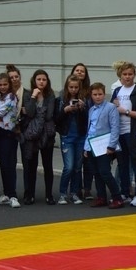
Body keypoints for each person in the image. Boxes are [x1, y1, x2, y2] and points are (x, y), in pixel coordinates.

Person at [111, 62, 136, 207]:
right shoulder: (117, 91)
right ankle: (125, 193)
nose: (127, 77)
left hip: (133, 132)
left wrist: (125, 111)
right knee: (122, 164)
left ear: (134, 75)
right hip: (119, 133)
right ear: (120, 76)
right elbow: (112, 109)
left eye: (130, 74)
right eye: (124, 74)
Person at [83, 83, 124, 209]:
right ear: (91, 95)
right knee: (96, 173)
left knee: (105, 172)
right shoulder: (91, 109)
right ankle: (101, 197)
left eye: (100, 94)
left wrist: (111, 146)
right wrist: (85, 147)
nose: (97, 97)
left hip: (104, 146)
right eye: (95, 94)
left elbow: (115, 127)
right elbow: (90, 129)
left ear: (104, 94)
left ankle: (117, 197)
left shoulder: (110, 107)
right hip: (91, 145)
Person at [21, 69, 57, 205]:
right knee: (31, 166)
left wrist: (38, 111)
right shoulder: (28, 94)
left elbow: (49, 116)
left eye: (44, 79)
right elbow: (29, 113)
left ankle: (49, 195)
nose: (41, 82)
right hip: (32, 135)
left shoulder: (50, 95)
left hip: (46, 135)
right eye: (39, 79)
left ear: (47, 81)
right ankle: (30, 194)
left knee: (48, 165)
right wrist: (34, 97)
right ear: (34, 81)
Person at [54, 74, 88, 205]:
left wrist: (82, 108)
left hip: (80, 136)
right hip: (67, 136)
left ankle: (74, 193)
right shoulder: (61, 100)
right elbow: (56, 119)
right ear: (67, 87)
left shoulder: (82, 100)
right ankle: (63, 193)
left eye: (76, 87)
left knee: (78, 167)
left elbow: (87, 120)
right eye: (71, 87)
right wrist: (65, 110)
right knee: (69, 167)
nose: (73, 90)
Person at [0, 73, 20, 208]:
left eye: (5, 84)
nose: (2, 87)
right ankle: (6, 194)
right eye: (0, 85)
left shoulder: (11, 97)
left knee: (9, 164)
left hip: (8, 134)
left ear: (9, 85)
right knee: (3, 164)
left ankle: (13, 195)